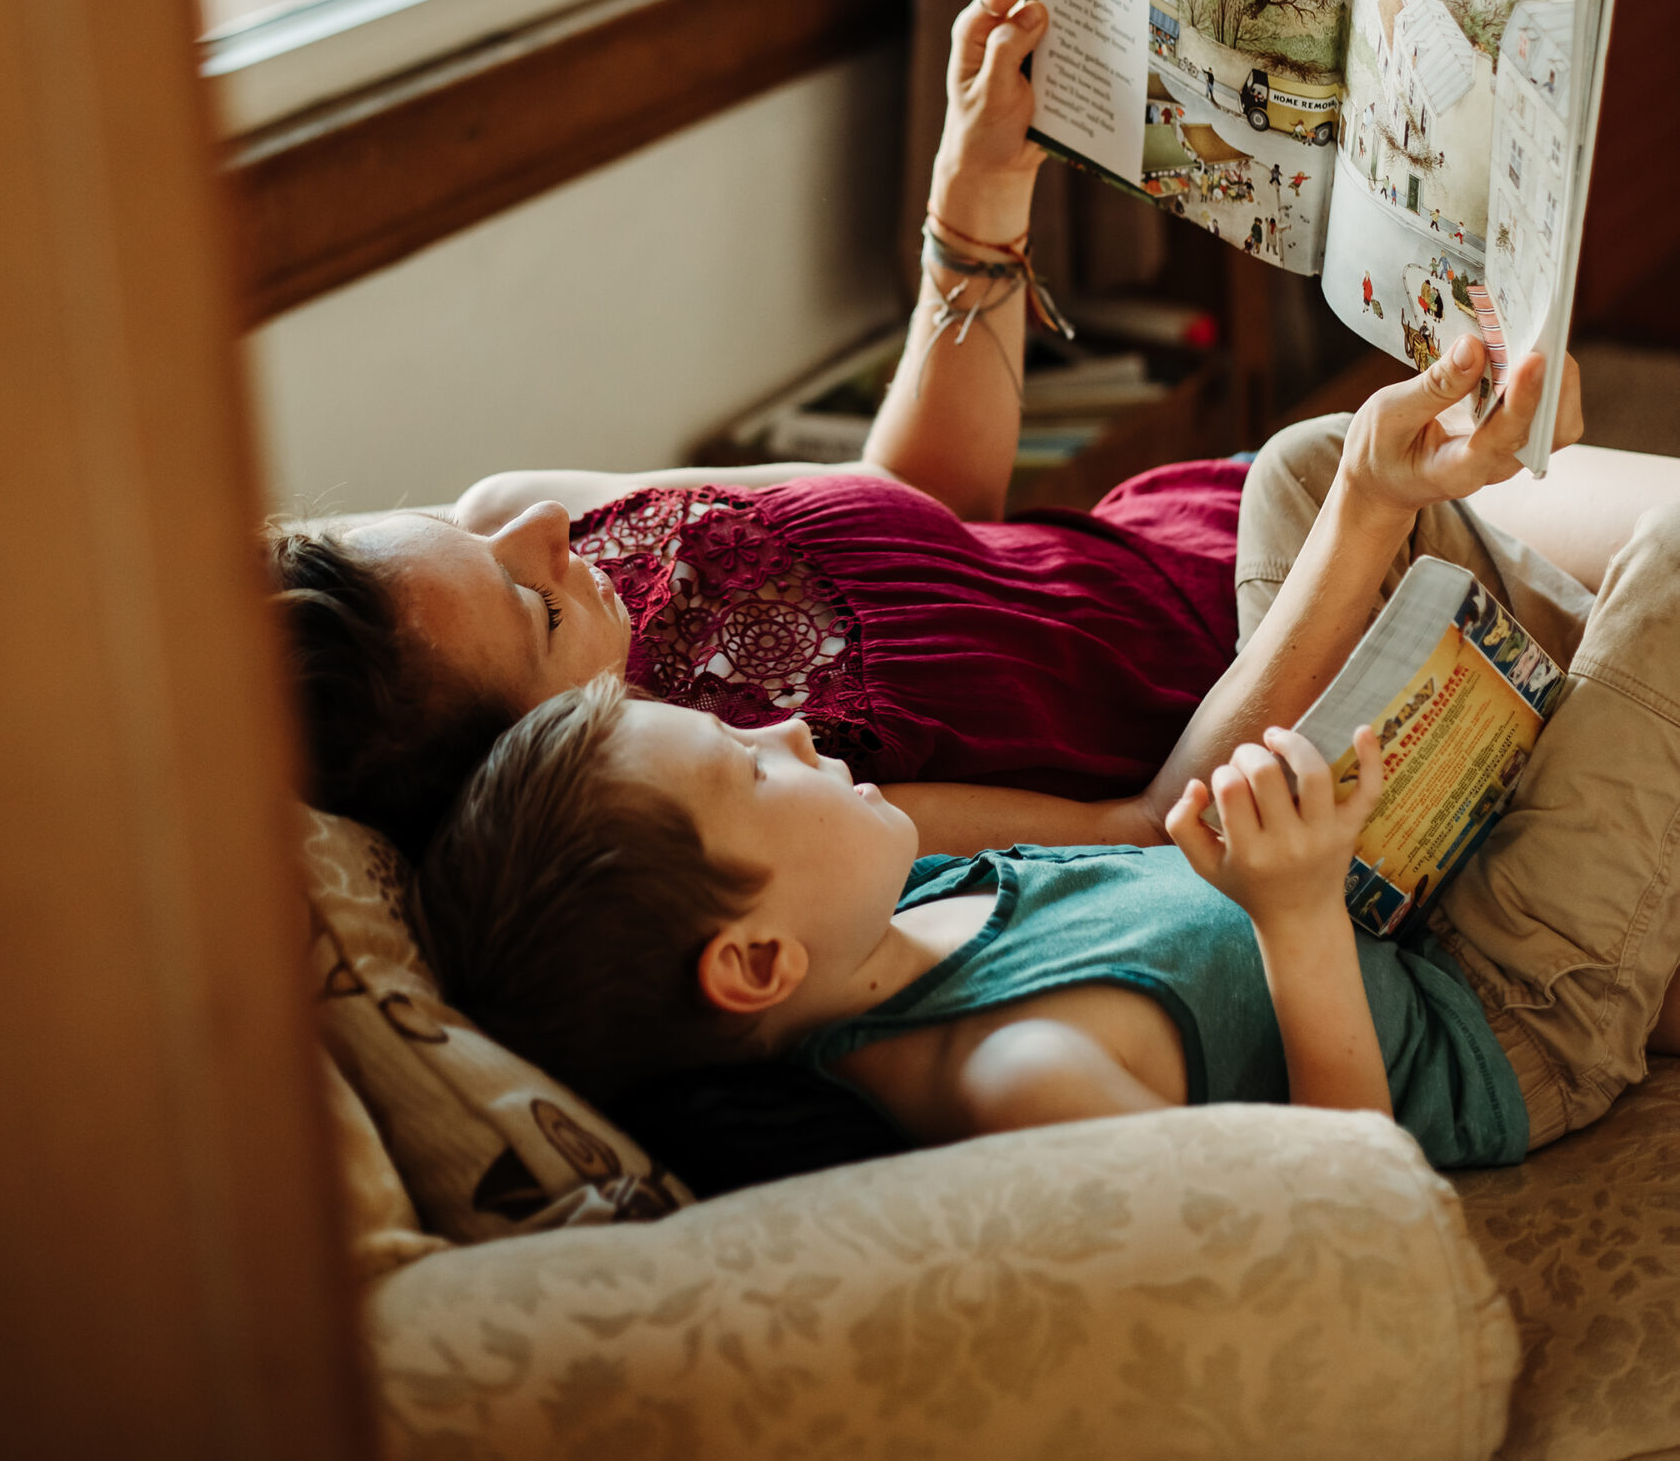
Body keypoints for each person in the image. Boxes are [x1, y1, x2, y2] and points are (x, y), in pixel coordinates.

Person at [414, 357, 1680, 1173]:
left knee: (1312, 459)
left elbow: (1141, 838)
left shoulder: (882, 900)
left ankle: (1610, 721)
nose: (790, 733)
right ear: (753, 961)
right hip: (1497, 1009)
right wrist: (1294, 916)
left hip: (1390, 888)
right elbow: (1344, 1209)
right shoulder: (1022, 1081)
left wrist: (1365, 505)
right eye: (749, 769)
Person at [273, 0, 1257, 861]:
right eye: (539, 612)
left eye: (452, 534)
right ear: (542, 760)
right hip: (1280, 684)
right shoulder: (738, 806)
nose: (535, 526)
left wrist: (978, 183)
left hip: (1202, 522)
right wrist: (1351, 531)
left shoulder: (542, 528)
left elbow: (934, 516)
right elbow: (1152, 823)